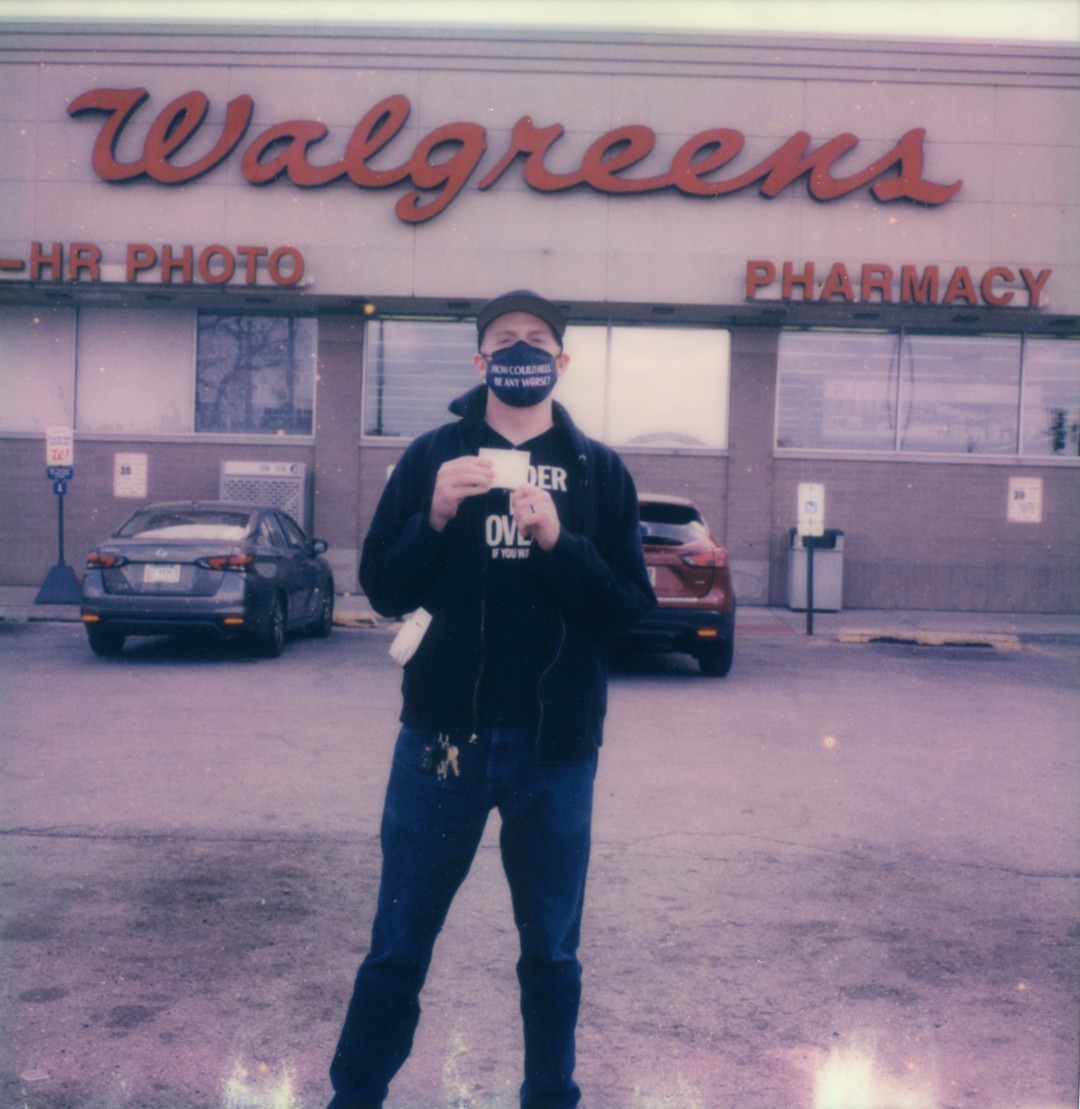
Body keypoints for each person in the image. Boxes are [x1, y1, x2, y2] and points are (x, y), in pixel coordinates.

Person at [328, 290, 655, 1108]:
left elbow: (627, 610)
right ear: (479, 361)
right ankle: (354, 1094)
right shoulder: (432, 454)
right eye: (503, 340)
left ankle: (551, 1094)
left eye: (535, 340)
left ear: (561, 361)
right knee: (398, 940)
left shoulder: (597, 469)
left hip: (555, 752)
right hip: (442, 741)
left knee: (551, 949)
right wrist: (434, 514)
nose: (519, 350)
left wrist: (557, 539)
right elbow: (381, 588)